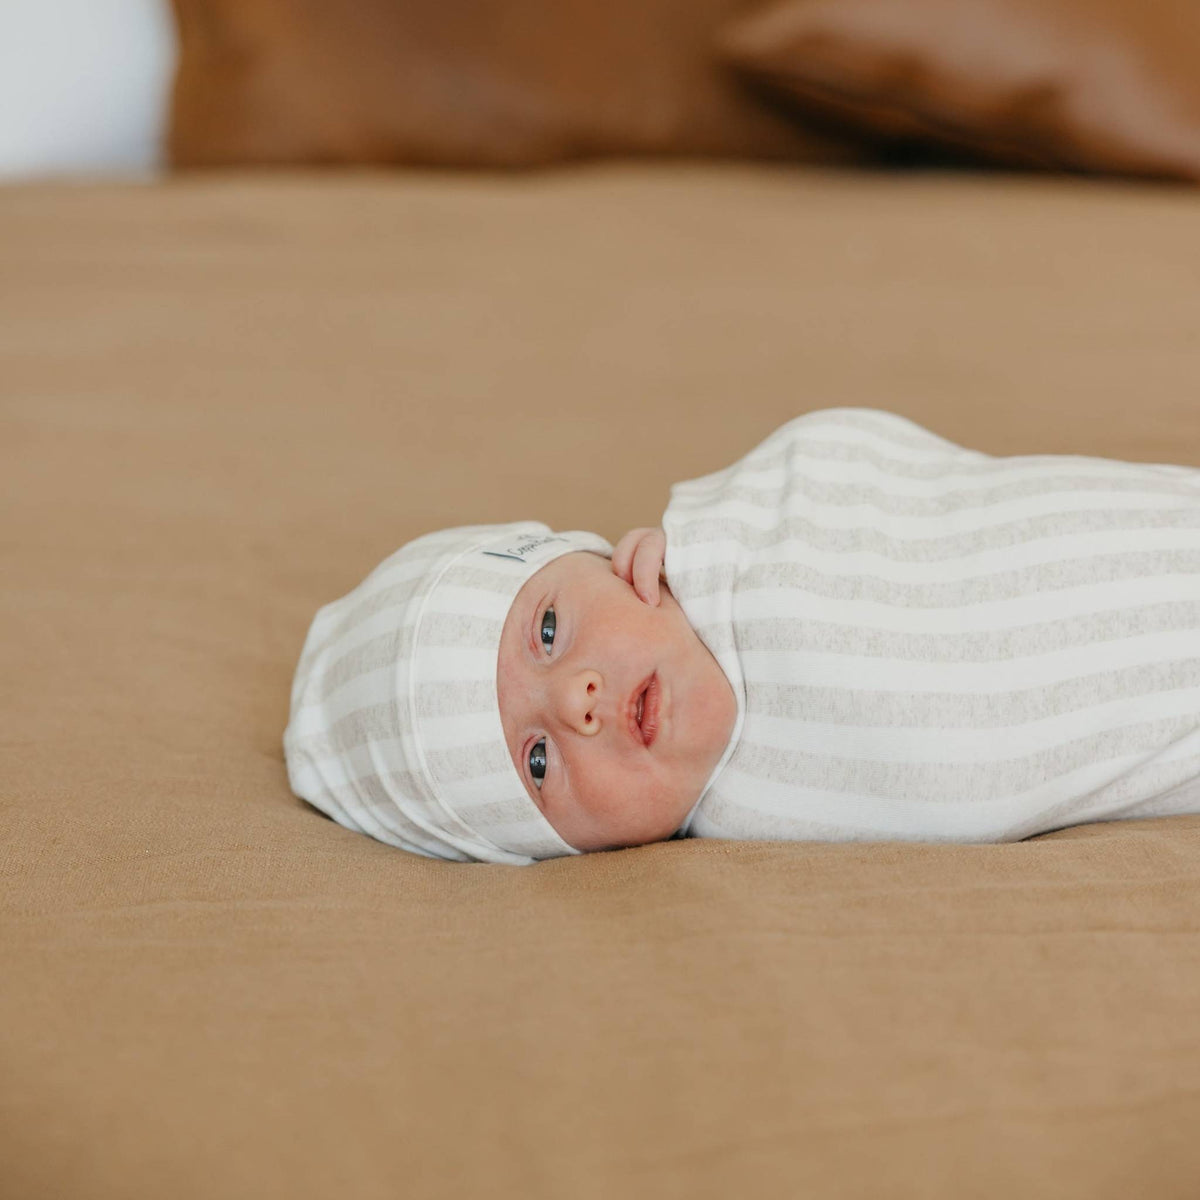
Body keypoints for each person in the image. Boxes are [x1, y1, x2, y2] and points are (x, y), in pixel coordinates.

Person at [284, 407, 1200, 864]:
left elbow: (863, 454)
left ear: (600, 560)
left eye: (549, 629)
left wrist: (714, 541)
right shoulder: (747, 822)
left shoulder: (742, 535)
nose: (576, 701)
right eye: (533, 762)